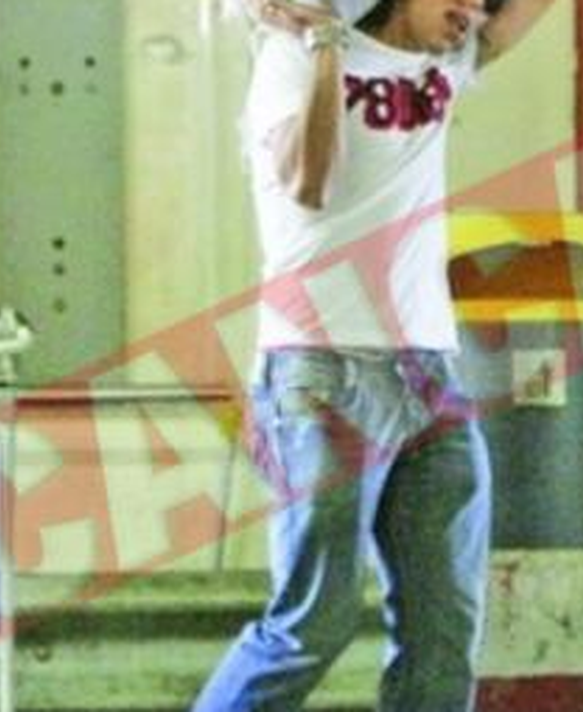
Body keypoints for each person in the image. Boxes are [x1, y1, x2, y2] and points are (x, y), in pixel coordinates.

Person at [193, 0, 552, 709]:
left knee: (443, 631)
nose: (474, 13)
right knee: (312, 625)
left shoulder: (446, 61)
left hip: (431, 377)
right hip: (322, 374)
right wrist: (327, 45)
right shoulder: (292, 53)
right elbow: (311, 183)